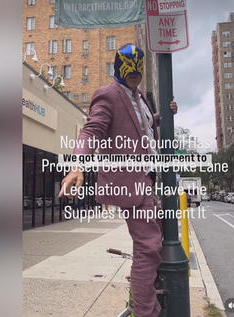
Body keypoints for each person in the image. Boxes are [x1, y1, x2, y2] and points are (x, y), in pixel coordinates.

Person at [59, 43, 177, 317]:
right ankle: (146, 311)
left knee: (153, 241)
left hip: (145, 177)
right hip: (128, 180)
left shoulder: (139, 97)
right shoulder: (108, 94)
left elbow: (142, 125)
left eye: (138, 72)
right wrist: (78, 164)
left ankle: (144, 293)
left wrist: (165, 115)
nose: (135, 76)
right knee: (148, 248)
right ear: (119, 67)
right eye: (130, 72)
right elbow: (92, 131)